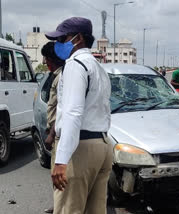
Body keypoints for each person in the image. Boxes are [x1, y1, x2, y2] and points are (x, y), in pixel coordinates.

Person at [45, 17, 113, 214]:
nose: (58, 44)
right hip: (102, 145)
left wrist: (61, 160)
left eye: (62, 39)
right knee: (96, 210)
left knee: (69, 209)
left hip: (80, 149)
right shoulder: (98, 68)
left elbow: (73, 113)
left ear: (78, 38)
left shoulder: (76, 65)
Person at [41, 42, 65, 214]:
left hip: (59, 134)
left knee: (58, 174)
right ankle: (59, 205)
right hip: (56, 131)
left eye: (45, 58)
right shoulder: (55, 75)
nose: (44, 61)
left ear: (51, 59)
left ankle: (61, 207)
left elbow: (62, 108)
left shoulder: (62, 77)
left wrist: (51, 134)